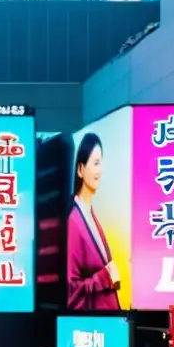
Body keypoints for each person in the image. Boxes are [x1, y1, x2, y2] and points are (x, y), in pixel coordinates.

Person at [67, 132, 121, 310]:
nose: (100, 170)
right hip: (94, 328)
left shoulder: (89, 213)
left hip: (107, 322)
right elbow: (72, 291)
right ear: (80, 170)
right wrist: (104, 277)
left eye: (101, 162)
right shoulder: (74, 222)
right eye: (95, 163)